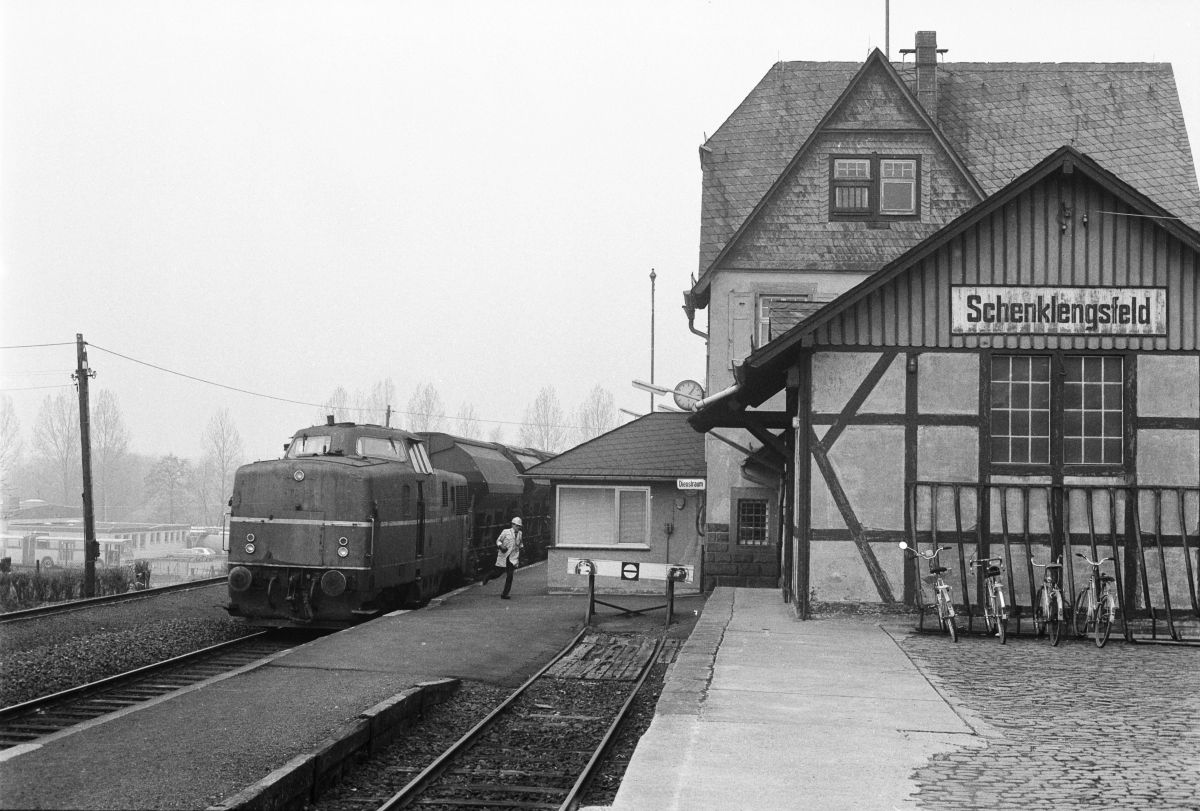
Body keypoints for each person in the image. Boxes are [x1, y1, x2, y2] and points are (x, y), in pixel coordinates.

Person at [480, 517, 522, 599]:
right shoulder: (506, 532)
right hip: (504, 556)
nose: (518, 527)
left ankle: (505, 594)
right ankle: (488, 576)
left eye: (519, 526)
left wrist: (521, 550)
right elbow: (498, 540)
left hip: (512, 558)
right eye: (517, 526)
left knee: (510, 576)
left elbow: (520, 544)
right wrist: (501, 546)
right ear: (513, 525)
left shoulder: (520, 533)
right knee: (498, 573)